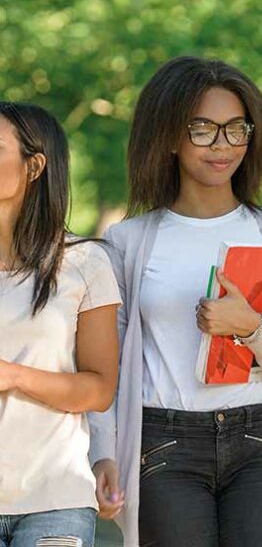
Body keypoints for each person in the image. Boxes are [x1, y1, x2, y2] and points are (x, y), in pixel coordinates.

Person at [88, 56, 262, 547]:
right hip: (164, 444)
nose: (223, 145)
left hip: (261, 441)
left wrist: (250, 326)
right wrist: (102, 453)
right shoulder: (127, 242)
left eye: (237, 129)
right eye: (203, 129)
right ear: (169, 136)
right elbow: (104, 371)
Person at [0, 102, 120, 546]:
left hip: (55, 501)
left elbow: (99, 390)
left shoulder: (85, 262)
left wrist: (12, 375)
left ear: (34, 166)